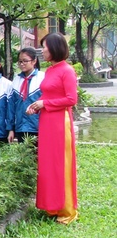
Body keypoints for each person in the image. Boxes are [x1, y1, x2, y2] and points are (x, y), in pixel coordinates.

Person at [26, 33, 78, 224]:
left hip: (59, 123)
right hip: (47, 121)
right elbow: (47, 95)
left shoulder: (67, 71)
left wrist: (45, 103)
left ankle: (66, 209)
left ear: (55, 48)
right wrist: (37, 105)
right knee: (47, 163)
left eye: (45, 47)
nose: (43, 51)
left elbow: (72, 99)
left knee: (60, 163)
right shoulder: (49, 71)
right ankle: (52, 205)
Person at [8, 47, 44, 143]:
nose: (22, 64)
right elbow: (11, 106)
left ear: (34, 61)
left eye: (25, 61)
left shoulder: (42, 78)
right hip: (21, 127)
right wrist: (11, 129)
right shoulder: (16, 80)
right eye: (20, 61)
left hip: (38, 127)